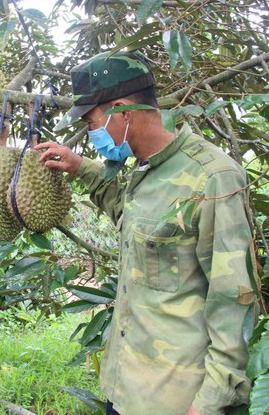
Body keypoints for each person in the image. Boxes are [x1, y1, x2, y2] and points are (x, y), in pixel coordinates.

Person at [35, 51, 254, 415]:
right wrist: (82, 167)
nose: (91, 134)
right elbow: (130, 215)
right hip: (126, 386)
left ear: (121, 111)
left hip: (176, 399)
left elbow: (234, 298)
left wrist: (212, 400)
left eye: (91, 122)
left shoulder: (212, 177)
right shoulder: (143, 170)